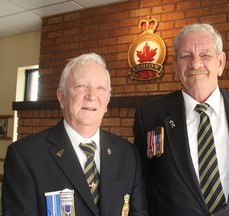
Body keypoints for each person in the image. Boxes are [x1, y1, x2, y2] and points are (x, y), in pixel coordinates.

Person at [133, 23, 229, 216]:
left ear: (220, 62)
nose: (195, 64)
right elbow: (142, 187)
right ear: (175, 64)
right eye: (186, 56)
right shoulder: (149, 116)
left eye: (205, 55)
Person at [2, 53, 148, 216]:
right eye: (81, 86)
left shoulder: (128, 154)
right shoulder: (25, 156)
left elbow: (138, 212)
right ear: (61, 97)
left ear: (107, 100)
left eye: (100, 88)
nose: (92, 96)